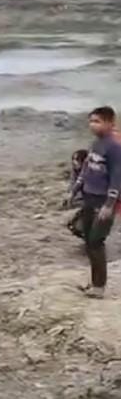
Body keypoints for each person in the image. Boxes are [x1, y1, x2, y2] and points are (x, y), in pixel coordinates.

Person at [70, 106, 121, 299]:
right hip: (89, 198)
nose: (92, 125)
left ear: (110, 123)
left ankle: (99, 287)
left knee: (96, 242)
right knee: (88, 241)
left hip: (102, 201)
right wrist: (74, 190)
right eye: (91, 121)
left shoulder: (114, 148)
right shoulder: (95, 144)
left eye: (97, 121)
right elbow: (86, 170)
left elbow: (117, 177)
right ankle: (94, 282)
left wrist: (109, 204)